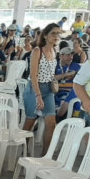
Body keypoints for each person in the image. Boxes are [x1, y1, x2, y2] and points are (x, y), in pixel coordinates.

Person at [23, 23, 61, 154]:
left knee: (51, 124)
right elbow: (33, 75)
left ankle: (45, 155)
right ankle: (23, 151)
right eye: (53, 33)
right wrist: (38, 95)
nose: (56, 36)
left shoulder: (54, 51)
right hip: (34, 89)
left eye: (58, 33)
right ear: (45, 35)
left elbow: (50, 74)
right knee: (30, 122)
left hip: (48, 89)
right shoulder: (37, 51)